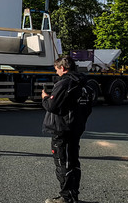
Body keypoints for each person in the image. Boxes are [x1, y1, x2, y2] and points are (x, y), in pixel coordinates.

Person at [42, 56, 95, 203]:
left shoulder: (65, 82)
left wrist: (45, 98)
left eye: (57, 69)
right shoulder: (85, 83)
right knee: (73, 162)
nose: (57, 72)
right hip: (76, 127)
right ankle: (73, 196)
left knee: (62, 162)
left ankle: (66, 198)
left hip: (62, 128)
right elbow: (88, 107)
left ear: (63, 68)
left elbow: (52, 106)